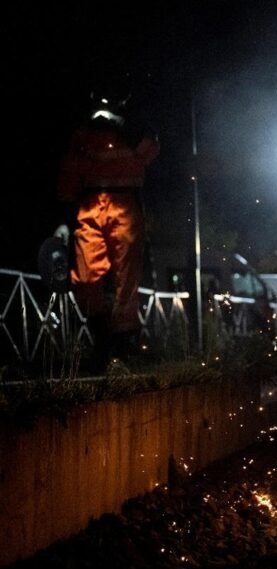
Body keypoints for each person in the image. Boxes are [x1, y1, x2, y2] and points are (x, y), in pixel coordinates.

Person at [56, 91, 159, 367]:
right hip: (89, 205)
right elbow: (70, 170)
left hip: (124, 204)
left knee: (127, 278)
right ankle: (101, 341)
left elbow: (150, 151)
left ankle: (122, 348)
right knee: (85, 276)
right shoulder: (83, 132)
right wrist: (64, 218)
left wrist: (121, 123)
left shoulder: (133, 126)